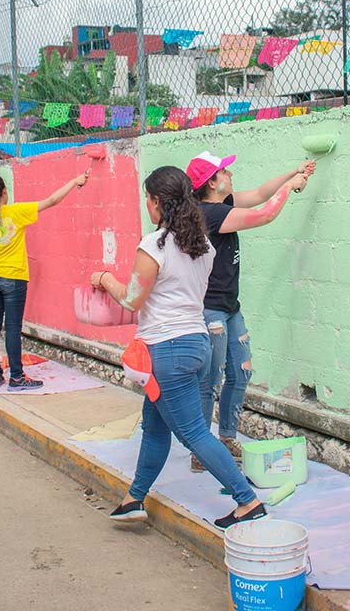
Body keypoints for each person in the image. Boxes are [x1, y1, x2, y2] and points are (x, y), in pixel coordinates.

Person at [91, 166, 267, 529]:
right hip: (196, 342)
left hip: (166, 350)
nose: (147, 205)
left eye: (148, 198)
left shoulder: (154, 245)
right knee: (154, 428)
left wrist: (104, 279)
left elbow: (132, 299)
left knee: (194, 434)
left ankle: (247, 501)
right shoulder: (201, 245)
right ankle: (133, 499)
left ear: (157, 202)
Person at [188, 150, 313, 471]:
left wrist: (292, 173)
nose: (230, 174)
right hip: (211, 312)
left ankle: (226, 439)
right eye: (224, 172)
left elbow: (259, 194)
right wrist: (291, 188)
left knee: (240, 371)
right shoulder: (209, 215)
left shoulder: (221, 205)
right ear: (211, 183)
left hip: (230, 308)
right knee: (210, 381)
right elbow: (265, 213)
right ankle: (202, 451)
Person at [0, 170, 89, 391]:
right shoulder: (16, 212)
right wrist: (74, 181)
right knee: (12, 328)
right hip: (13, 277)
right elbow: (52, 201)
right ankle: (16, 378)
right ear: (3, 193)